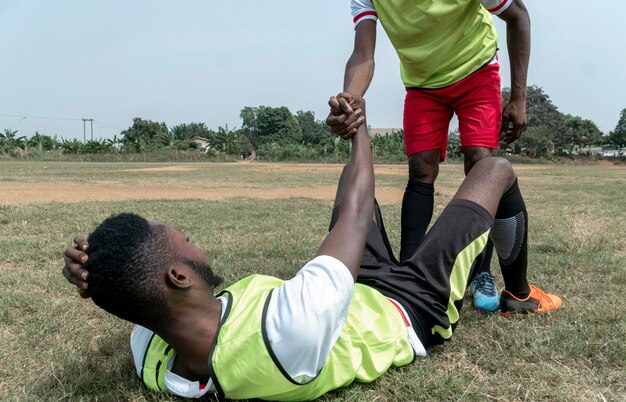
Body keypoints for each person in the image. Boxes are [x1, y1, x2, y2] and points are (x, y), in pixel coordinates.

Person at [62, 98, 561, 400]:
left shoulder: (151, 352)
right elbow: (356, 212)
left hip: (350, 295)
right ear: (178, 277)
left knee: (351, 188)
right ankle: (517, 294)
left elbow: (127, 291)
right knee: (493, 169)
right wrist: (358, 130)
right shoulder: (286, 333)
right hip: (409, 309)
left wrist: (94, 268)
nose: (194, 241)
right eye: (184, 241)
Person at [326, 0, 531, 312]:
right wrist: (350, 98)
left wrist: (518, 97)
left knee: (481, 164)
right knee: (420, 167)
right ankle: (406, 269)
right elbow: (363, 54)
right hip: (423, 84)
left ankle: (481, 273)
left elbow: (518, 15)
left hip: (475, 69)